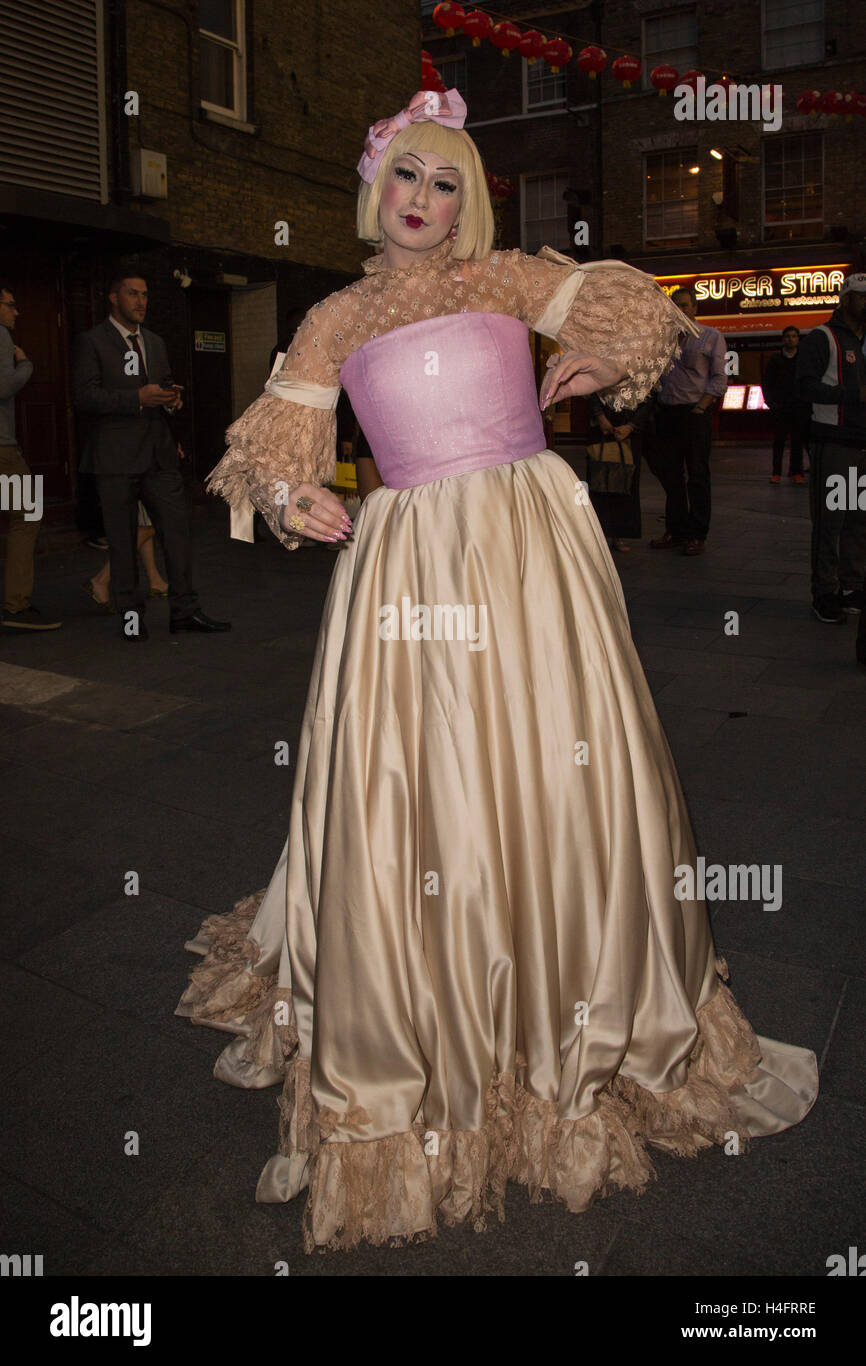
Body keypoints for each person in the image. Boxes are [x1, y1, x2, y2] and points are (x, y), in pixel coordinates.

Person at [176, 91, 817, 1254]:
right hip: (409, 552)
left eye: (447, 183)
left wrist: (586, 361)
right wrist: (294, 494)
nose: (424, 201)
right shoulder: (334, 316)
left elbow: (640, 314)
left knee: (558, 761)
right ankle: (421, 1017)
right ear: (378, 191)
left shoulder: (505, 279)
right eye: (407, 178)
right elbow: (264, 449)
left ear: (467, 201)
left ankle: (580, 991)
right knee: (422, 779)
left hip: (531, 540)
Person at [73, 270, 230, 642]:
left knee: (177, 534)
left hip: (159, 455)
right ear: (114, 298)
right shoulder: (92, 342)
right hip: (114, 459)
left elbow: (163, 388)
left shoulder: (156, 342)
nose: (141, 301)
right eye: (132, 294)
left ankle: (185, 612)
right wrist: (136, 398)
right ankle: (131, 619)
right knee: (123, 541)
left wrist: (170, 400)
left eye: (144, 294)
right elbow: (85, 398)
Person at [796, 273, 866, 624]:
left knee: (858, 518)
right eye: (861, 296)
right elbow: (805, 388)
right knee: (830, 521)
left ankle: (853, 586)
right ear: (845, 299)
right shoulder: (823, 338)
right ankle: (825, 591)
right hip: (833, 440)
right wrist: (853, 396)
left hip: (860, 444)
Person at [0, 285, 61, 632]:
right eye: (10, 305)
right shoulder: (2, 336)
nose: (16, 312)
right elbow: (4, 386)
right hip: (2, 448)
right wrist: (26, 364)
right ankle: (15, 605)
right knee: (27, 513)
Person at [650, 287, 727, 556]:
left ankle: (697, 534)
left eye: (684, 305)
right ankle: (676, 530)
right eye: (676, 306)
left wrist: (701, 407)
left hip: (694, 413)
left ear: (694, 308)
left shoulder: (711, 336)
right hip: (668, 412)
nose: (680, 310)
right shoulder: (665, 339)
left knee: (697, 475)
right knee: (671, 476)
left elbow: (719, 378)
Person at [587, 393, 652, 551]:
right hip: (602, 425)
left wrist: (631, 426)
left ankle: (619, 534)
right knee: (599, 480)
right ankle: (597, 533)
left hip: (628, 424)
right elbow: (591, 390)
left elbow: (648, 395)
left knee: (625, 480)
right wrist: (600, 417)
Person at [762, 326, 807, 483]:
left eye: (794, 336)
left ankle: (796, 472)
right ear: (783, 339)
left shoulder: (803, 359)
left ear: (798, 339)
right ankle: (776, 473)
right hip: (780, 406)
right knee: (779, 441)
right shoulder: (775, 359)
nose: (790, 339)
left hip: (798, 406)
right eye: (788, 336)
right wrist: (770, 402)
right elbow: (766, 382)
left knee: (797, 441)